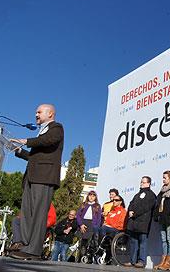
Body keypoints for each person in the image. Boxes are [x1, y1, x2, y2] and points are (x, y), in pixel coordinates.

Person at [10, 104, 64, 260]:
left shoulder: (56, 128)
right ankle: (24, 246)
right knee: (26, 213)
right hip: (31, 177)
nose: (36, 114)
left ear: (51, 114)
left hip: (44, 177)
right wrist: (19, 151)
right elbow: (36, 156)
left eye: (39, 112)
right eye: (36, 112)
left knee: (39, 214)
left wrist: (25, 140)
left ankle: (33, 251)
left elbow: (49, 140)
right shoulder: (41, 133)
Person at [124, 176, 156, 268]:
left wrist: (134, 213)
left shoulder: (151, 195)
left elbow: (146, 207)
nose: (141, 183)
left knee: (143, 242)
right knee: (133, 242)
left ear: (148, 183)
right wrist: (130, 211)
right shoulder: (137, 194)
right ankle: (132, 260)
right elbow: (131, 204)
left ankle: (142, 261)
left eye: (143, 182)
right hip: (134, 222)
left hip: (143, 222)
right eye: (141, 182)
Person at [76, 191, 102, 262]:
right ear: (88, 196)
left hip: (92, 225)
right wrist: (81, 224)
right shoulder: (84, 204)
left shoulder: (97, 206)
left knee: (92, 243)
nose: (91, 197)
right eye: (90, 195)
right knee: (83, 242)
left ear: (95, 197)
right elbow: (78, 215)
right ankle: (81, 258)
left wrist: (96, 227)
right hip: (83, 224)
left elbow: (99, 218)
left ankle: (89, 259)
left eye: (93, 196)